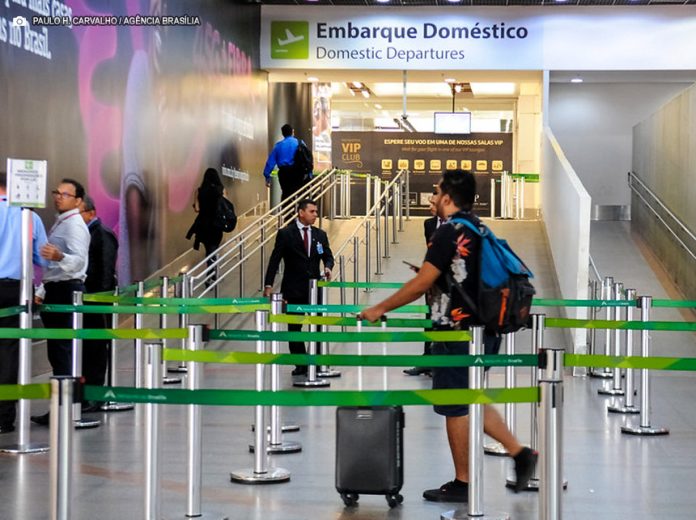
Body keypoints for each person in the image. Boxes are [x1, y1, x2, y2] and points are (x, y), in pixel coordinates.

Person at [359, 170, 537, 502]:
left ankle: (464, 483)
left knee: (455, 405)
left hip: (459, 334)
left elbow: (422, 283)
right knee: (470, 398)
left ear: (448, 196)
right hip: (484, 331)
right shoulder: (478, 227)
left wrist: (379, 308)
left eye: (437, 191)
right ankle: (520, 452)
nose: (432, 197)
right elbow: (460, 277)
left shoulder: (449, 232)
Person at [32, 178, 90, 426]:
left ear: (78, 201)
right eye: (57, 192)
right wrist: (43, 290)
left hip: (66, 291)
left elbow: (78, 262)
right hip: (57, 290)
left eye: (65, 194)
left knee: (63, 351)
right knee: (58, 351)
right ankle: (61, 405)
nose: (58, 197)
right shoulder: (62, 222)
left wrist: (59, 255)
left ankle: (65, 407)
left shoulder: (75, 225)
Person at [263, 199, 334, 376]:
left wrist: (327, 267)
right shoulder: (286, 234)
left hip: (315, 288)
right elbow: (275, 260)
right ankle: (300, 363)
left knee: (317, 326)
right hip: (293, 288)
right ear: (301, 212)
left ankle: (316, 362)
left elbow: (327, 256)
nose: (315, 215)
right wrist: (268, 284)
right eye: (312, 211)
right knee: (295, 327)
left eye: (316, 212)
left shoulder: (320, 235)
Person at [0, 171, 48, 433]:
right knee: (10, 352)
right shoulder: (30, 217)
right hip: (17, 290)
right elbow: (44, 259)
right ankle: (4, 417)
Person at [80, 195, 118, 411]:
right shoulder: (89, 234)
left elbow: (105, 270)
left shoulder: (101, 234)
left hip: (97, 301)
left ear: (91, 213)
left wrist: (99, 300)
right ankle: (86, 395)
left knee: (95, 349)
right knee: (88, 349)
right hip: (88, 300)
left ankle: (95, 395)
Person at [404, 190, 441, 377]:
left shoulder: (459, 226)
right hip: (432, 284)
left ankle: (441, 365)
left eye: (433, 204)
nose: (430, 207)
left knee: (444, 325)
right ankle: (427, 361)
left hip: (452, 287)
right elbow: (431, 253)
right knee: (429, 322)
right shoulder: (428, 224)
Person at [186, 168, 225, 274]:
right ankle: (212, 272)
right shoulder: (221, 190)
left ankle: (211, 271)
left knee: (208, 249)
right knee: (214, 248)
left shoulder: (198, 191)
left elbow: (197, 209)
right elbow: (224, 207)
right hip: (217, 225)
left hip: (203, 225)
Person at [263, 124, 306, 202]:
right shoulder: (300, 143)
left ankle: (286, 213)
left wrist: (267, 176)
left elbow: (270, 162)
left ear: (283, 134)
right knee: (299, 194)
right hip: (298, 172)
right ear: (293, 132)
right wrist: (309, 173)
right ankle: (298, 211)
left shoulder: (278, 146)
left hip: (284, 173)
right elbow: (307, 157)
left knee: (286, 194)